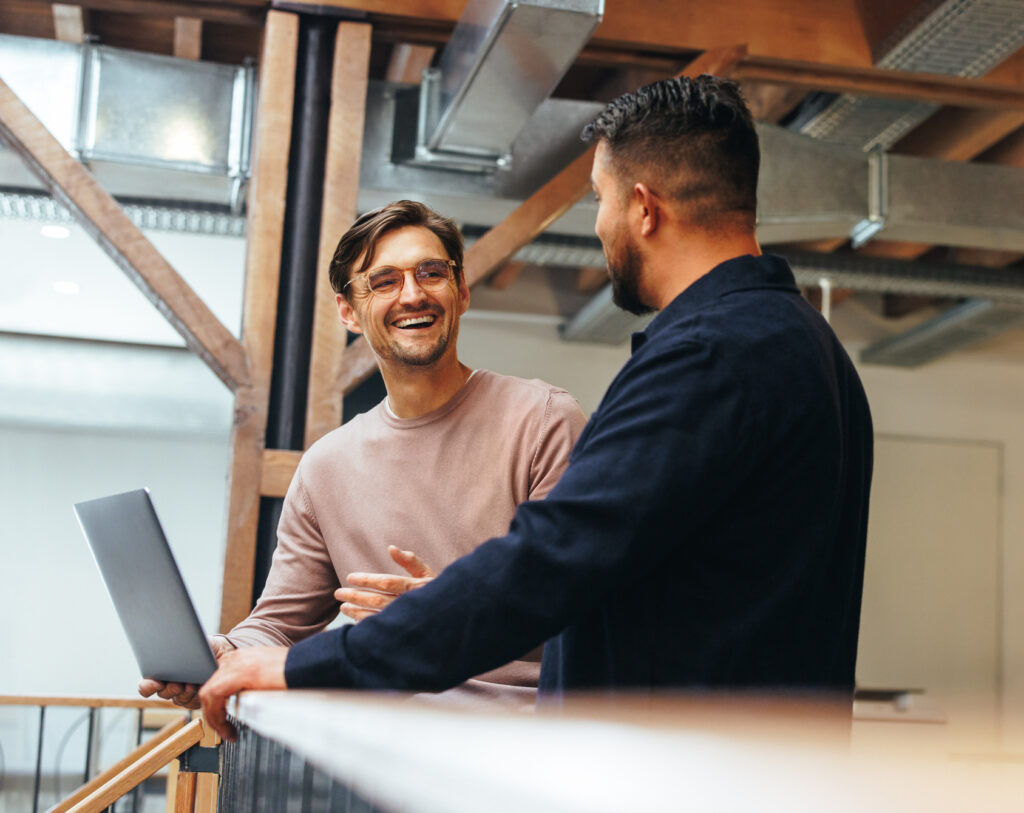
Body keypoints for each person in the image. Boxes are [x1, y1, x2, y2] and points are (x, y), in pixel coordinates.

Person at [200, 75, 874, 740]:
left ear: (644, 208)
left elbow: (547, 565)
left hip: (685, 776)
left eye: (600, 199)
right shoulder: (811, 348)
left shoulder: (705, 356)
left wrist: (316, 660)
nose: (601, 224)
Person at [140, 200, 586, 709]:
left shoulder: (545, 419)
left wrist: (450, 608)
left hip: (519, 742)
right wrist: (228, 652)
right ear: (348, 310)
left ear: (461, 291)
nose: (413, 294)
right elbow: (279, 626)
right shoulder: (326, 465)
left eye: (431, 273)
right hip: (375, 747)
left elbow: (578, 597)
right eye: (384, 281)